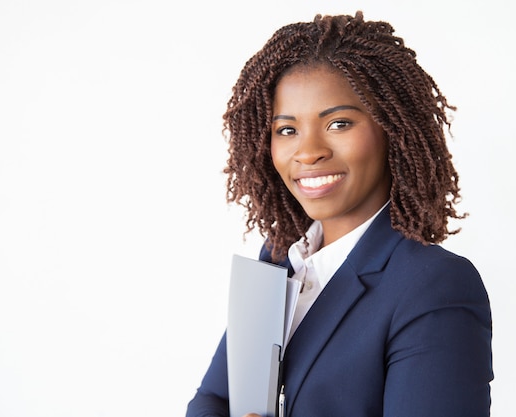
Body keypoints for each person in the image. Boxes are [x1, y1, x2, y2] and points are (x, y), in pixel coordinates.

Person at [186, 11, 493, 417]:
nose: (309, 151)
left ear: (392, 130)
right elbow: (214, 401)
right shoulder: (279, 259)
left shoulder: (434, 286)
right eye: (287, 130)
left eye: (339, 123)